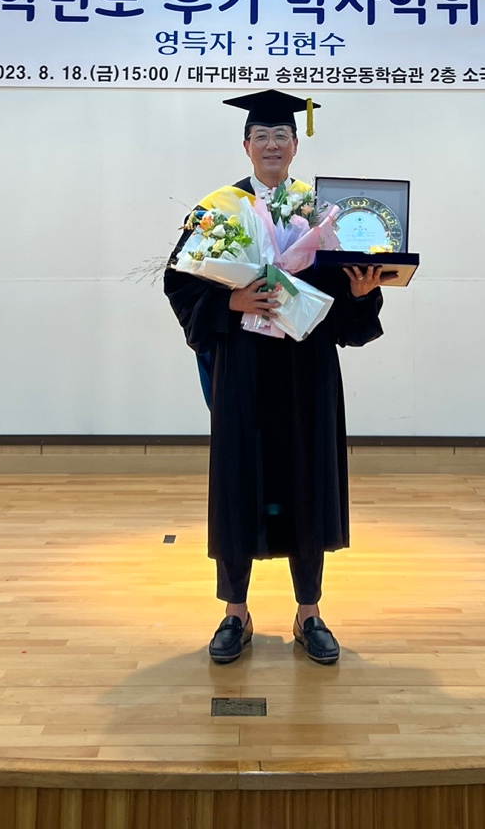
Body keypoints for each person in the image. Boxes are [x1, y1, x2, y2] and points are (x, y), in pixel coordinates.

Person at [163, 90, 384, 665]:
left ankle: (309, 612)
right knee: (239, 480)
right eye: (261, 136)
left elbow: (344, 304)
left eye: (281, 135)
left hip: (305, 369)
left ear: (294, 144)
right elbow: (179, 282)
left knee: (308, 478)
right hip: (244, 368)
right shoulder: (218, 210)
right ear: (246, 145)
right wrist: (231, 300)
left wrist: (363, 293)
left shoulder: (321, 212)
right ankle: (234, 611)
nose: (271, 144)